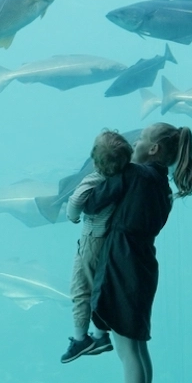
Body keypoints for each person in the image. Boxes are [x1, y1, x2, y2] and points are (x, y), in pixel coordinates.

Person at [73, 123, 192, 383]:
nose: (135, 142)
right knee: (138, 348)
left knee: (127, 350)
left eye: (141, 138)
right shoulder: (162, 185)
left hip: (122, 263)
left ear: (153, 149)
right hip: (142, 263)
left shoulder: (134, 175)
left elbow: (92, 203)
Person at [60, 130, 132, 365]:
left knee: (81, 288)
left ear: (95, 159)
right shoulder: (126, 177)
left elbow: (75, 201)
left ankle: (82, 339)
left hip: (92, 239)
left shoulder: (95, 178)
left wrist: (72, 217)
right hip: (110, 241)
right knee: (99, 285)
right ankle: (100, 335)